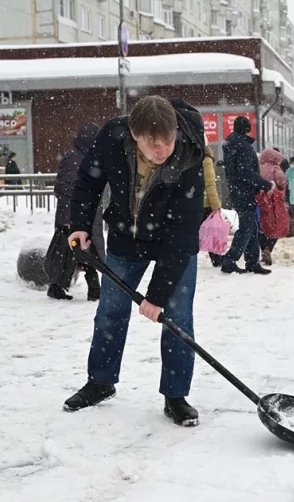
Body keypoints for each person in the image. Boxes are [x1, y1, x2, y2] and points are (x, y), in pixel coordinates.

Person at [64, 96, 206, 427]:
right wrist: (82, 225)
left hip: (174, 240)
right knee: (110, 310)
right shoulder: (113, 137)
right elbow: (88, 182)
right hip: (127, 236)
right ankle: (101, 381)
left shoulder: (188, 155)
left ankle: (175, 395)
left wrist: (157, 296)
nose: (162, 150)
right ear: (133, 133)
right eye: (153, 144)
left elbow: (184, 233)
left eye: (167, 141)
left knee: (178, 316)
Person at [47, 121, 105, 301]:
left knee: (77, 251)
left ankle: (59, 287)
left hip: (82, 212)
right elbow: (65, 188)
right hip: (75, 214)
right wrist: (71, 216)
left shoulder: (82, 156)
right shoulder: (76, 158)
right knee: (83, 250)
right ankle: (94, 290)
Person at [218, 115, 275, 275]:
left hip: (237, 191)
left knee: (251, 226)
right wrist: (265, 184)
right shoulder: (243, 147)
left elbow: (238, 171)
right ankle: (230, 260)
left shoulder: (230, 145)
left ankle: (251, 262)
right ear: (247, 129)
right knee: (247, 227)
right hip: (245, 191)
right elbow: (245, 172)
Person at [256, 148, 287, 266]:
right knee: (276, 224)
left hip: (260, 199)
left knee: (262, 225)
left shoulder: (259, 168)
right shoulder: (275, 168)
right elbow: (282, 181)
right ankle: (268, 248)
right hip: (274, 201)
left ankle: (263, 248)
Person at [202, 141, 224, 267]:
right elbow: (210, 184)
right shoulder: (206, 160)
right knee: (211, 233)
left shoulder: (190, 157)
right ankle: (217, 259)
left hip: (191, 201)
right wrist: (216, 205)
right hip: (204, 203)